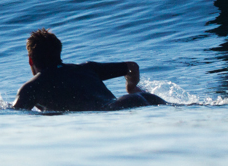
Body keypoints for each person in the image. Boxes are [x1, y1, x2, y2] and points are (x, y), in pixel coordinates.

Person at [11, 29, 167, 112]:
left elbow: (15, 115)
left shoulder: (32, 87)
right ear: (59, 52)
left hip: (114, 112)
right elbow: (132, 67)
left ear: (30, 59)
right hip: (141, 98)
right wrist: (131, 88)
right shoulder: (87, 68)